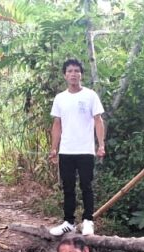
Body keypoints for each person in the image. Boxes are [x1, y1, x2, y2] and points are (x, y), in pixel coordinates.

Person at [48, 58, 106, 237]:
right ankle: (69, 222)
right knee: (68, 187)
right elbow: (57, 124)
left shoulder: (90, 95)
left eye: (76, 71)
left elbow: (98, 120)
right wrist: (54, 148)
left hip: (85, 150)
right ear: (65, 75)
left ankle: (88, 220)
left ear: (81, 74)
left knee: (86, 185)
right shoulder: (60, 98)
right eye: (70, 71)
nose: (73, 74)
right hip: (66, 151)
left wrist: (101, 145)